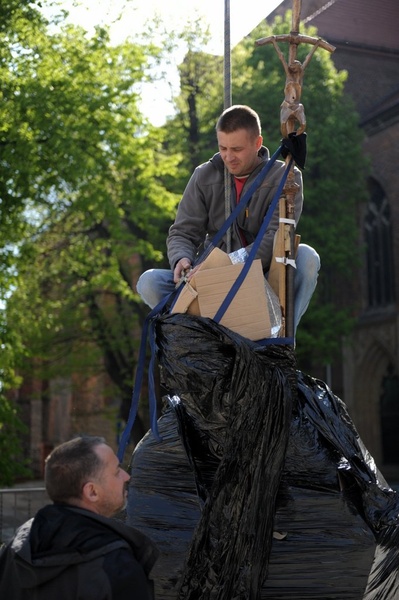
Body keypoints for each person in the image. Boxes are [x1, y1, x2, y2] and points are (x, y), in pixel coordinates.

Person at [137, 104, 320, 334]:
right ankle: (200, 338)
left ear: (257, 143)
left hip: (262, 278)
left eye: (236, 149)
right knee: (149, 283)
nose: (228, 157)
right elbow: (183, 232)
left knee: (307, 258)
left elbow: (275, 238)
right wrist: (181, 259)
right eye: (222, 147)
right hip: (209, 284)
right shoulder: (203, 175)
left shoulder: (285, 178)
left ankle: (281, 341)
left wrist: (224, 264)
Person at [0, 436, 159, 599]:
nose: (126, 476)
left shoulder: (14, 549)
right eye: (117, 471)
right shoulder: (116, 565)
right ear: (92, 492)